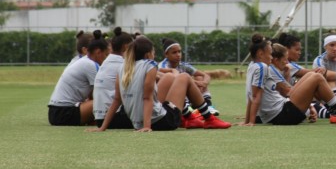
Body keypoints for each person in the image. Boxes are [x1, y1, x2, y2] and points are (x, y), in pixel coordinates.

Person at [91, 36, 231, 132]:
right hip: (163, 122)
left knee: (170, 77)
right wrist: (147, 126)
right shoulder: (150, 65)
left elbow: (116, 99)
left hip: (137, 122)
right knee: (184, 77)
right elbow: (147, 97)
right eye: (153, 52)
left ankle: (189, 118)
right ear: (148, 54)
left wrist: (102, 127)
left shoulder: (123, 67)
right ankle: (209, 118)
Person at [243, 34, 336, 126]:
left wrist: (247, 121)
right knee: (316, 77)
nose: (271, 57)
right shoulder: (263, 67)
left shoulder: (252, 66)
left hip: (283, 110)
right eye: (270, 54)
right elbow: (255, 95)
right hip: (284, 115)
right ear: (260, 54)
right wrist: (251, 122)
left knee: (313, 75)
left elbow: (250, 95)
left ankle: (334, 109)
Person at [48, 30, 109, 126]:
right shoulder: (90, 65)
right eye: (106, 55)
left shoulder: (85, 61)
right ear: (98, 52)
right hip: (62, 113)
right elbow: (100, 93)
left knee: (101, 102)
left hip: (56, 111)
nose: (106, 58)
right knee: (106, 102)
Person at [158, 37, 220, 116]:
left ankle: (207, 105)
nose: (178, 55)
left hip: (187, 97)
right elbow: (177, 80)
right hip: (171, 100)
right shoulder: (162, 66)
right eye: (174, 52)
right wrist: (197, 83)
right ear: (166, 54)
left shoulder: (183, 65)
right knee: (183, 81)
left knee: (200, 77)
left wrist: (204, 83)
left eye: (179, 52)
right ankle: (187, 108)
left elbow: (205, 75)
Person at [92, 27, 135, 129]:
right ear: (126, 46)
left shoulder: (107, 62)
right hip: (114, 118)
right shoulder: (122, 64)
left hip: (99, 119)